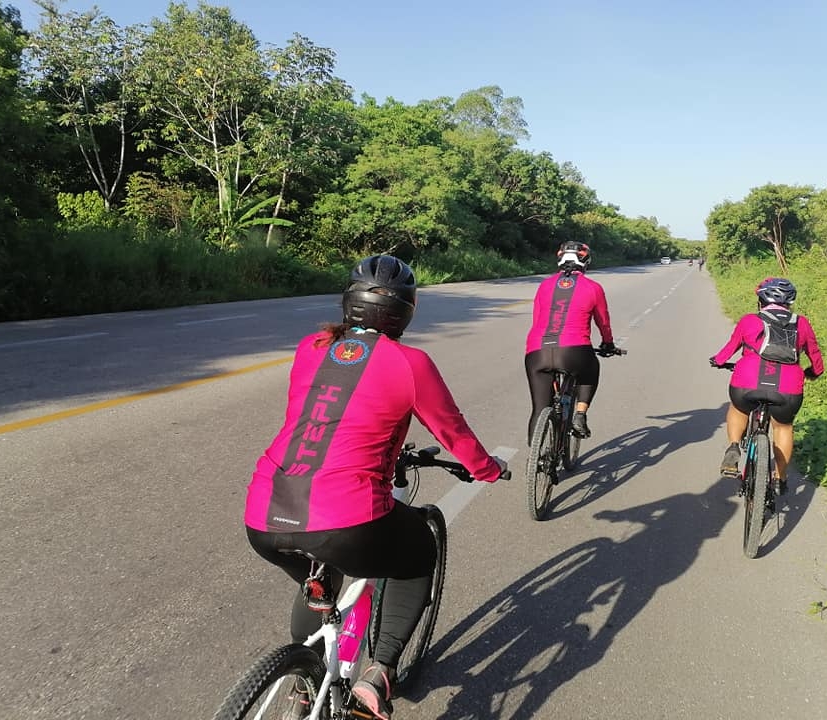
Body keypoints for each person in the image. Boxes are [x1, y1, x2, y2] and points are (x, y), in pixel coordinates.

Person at [243, 254, 507, 720]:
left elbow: (327, 414)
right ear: (406, 310)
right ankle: (377, 675)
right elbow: (452, 432)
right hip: (345, 517)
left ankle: (305, 676)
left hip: (265, 511)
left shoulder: (312, 346)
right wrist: (487, 470)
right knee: (417, 553)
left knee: (318, 580)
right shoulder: (410, 363)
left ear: (348, 303)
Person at [709, 277, 824, 493]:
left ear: (761, 301)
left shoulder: (749, 321)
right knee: (783, 426)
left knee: (739, 408)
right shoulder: (803, 324)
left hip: (747, 385)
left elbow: (728, 350)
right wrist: (812, 373)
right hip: (788, 391)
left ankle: (734, 446)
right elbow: (816, 359)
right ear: (789, 303)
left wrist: (718, 360)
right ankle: (780, 477)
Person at [524, 241, 616, 445]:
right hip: (574, 352)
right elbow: (603, 321)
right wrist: (608, 344)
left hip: (537, 352)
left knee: (539, 409)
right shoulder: (593, 287)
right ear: (586, 261)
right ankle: (580, 415)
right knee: (591, 370)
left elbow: (538, 319)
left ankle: (536, 461)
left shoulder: (545, 285)